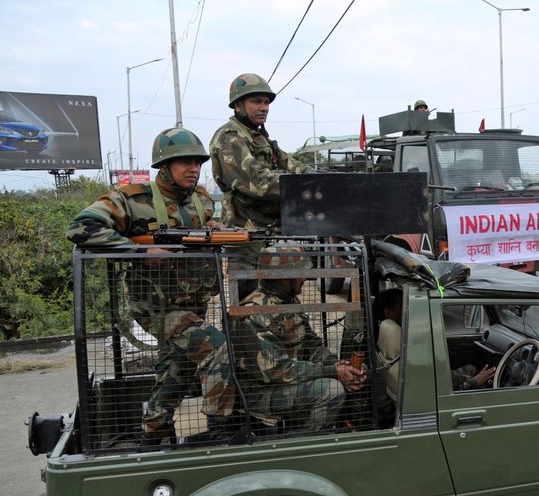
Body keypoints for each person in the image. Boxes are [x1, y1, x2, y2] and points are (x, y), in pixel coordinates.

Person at [66, 127, 224, 440]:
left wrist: (210, 229)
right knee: (220, 350)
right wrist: (138, 251)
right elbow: (80, 227)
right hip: (157, 308)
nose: (193, 169)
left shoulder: (202, 200)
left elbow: (195, 227)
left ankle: (155, 430)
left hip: (194, 304)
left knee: (177, 370)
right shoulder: (132, 200)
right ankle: (223, 430)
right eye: (184, 163)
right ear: (164, 167)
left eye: (197, 163)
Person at [210, 244, 366, 433]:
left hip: (288, 382)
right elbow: (277, 370)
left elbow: (311, 344)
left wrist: (338, 364)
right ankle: (305, 445)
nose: (305, 278)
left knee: (359, 374)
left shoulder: (288, 301)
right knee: (331, 390)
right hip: (259, 394)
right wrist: (332, 372)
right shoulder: (252, 314)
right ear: (284, 279)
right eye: (301, 273)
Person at [209, 73, 311, 232]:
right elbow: (258, 183)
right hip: (248, 234)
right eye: (256, 102)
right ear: (238, 106)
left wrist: (318, 176)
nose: (264, 108)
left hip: (273, 228)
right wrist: (307, 184)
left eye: (266, 102)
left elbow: (292, 164)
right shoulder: (228, 138)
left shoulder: (259, 138)